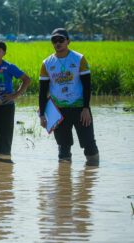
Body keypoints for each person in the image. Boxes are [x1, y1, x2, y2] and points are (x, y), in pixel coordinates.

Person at [39, 28, 99, 164]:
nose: (58, 43)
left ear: (68, 41)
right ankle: (64, 180)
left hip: (80, 109)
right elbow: (42, 91)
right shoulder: (46, 63)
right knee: (63, 148)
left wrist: (86, 108)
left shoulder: (79, 59)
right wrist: (42, 114)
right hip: (58, 111)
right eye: (54, 40)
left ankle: (92, 177)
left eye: (61, 40)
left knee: (89, 145)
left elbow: (87, 86)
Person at [0, 41, 31, 155]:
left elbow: (26, 80)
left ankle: (5, 160)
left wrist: (15, 95)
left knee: (5, 137)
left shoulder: (9, 67)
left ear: (4, 53)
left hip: (7, 105)